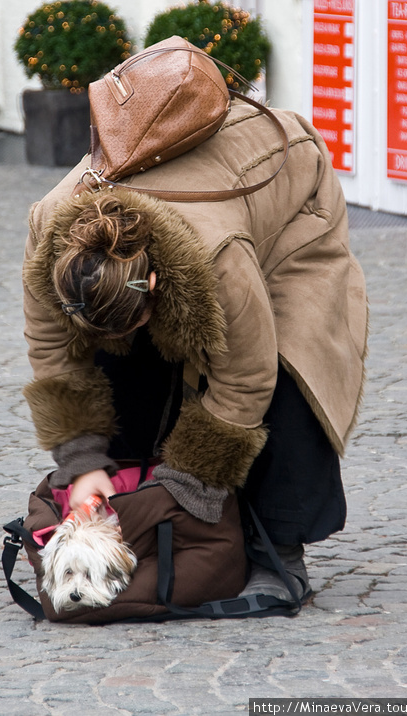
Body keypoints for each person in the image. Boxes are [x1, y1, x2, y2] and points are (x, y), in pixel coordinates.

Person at [22, 82, 368, 606]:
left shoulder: (218, 256)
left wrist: (188, 484)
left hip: (290, 212)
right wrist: (84, 463)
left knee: (291, 363)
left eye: (132, 318)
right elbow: (55, 359)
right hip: (181, 211)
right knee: (125, 367)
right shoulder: (50, 238)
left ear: (154, 284)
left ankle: (279, 549)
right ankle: (145, 525)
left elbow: (247, 380)